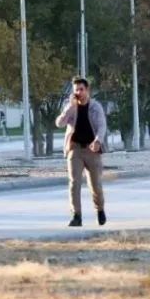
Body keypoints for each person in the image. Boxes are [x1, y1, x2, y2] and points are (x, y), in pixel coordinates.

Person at [56, 76, 108, 228]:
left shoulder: (95, 107)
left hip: (92, 149)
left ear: (88, 90)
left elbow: (101, 126)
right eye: (76, 90)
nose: (79, 92)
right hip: (75, 149)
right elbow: (59, 123)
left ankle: (100, 210)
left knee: (95, 184)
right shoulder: (71, 107)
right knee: (74, 183)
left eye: (81, 89)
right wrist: (69, 108)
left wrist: (98, 141)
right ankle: (76, 215)